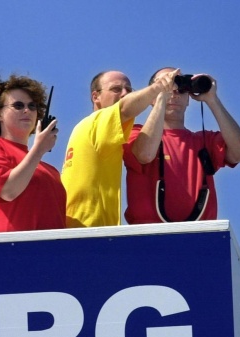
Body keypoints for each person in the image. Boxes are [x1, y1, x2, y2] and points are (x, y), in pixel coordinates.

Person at [123, 67, 240, 224]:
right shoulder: (136, 133)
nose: (174, 93)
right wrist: (161, 96)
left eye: (181, 89)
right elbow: (145, 154)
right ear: (151, 97)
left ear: (188, 98)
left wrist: (212, 100)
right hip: (148, 235)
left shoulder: (204, 141)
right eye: (168, 86)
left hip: (199, 236)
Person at [61, 69, 179, 228]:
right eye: (116, 89)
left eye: (129, 90)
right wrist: (159, 88)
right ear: (95, 97)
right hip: (89, 231)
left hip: (77, 229)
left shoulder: (86, 128)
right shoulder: (97, 121)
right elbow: (125, 109)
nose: (124, 94)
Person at [0, 74, 65, 232]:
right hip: (11, 250)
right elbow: (7, 191)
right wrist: (39, 150)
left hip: (53, 252)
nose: (27, 110)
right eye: (18, 105)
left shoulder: (51, 171)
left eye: (32, 106)